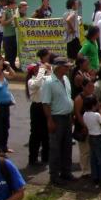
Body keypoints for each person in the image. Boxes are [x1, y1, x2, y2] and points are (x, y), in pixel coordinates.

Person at [41, 56, 75, 185]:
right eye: (66, 66)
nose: (68, 68)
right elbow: (46, 103)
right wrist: (50, 120)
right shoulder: (49, 82)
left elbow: (68, 97)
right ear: (59, 67)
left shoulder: (65, 79)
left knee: (67, 146)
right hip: (56, 117)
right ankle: (54, 176)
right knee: (55, 148)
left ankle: (66, 172)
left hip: (66, 116)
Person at [26, 48, 52, 166]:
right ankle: (33, 158)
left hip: (45, 107)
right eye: (37, 70)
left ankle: (46, 156)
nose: (39, 71)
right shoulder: (31, 82)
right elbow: (37, 83)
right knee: (36, 134)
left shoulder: (43, 78)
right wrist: (42, 70)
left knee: (46, 133)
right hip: (37, 108)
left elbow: (50, 81)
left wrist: (49, 71)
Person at [82, 95, 101, 187]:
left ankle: (95, 176)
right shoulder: (96, 115)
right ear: (93, 105)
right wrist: (100, 112)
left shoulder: (84, 115)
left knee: (94, 157)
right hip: (98, 137)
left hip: (91, 136)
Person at [0, 56, 15, 155]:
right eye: (0, 65)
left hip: (6, 105)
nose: (2, 67)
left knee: (6, 126)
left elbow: (13, 75)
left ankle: (4, 146)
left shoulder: (3, 74)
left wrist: (8, 66)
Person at [74, 78, 96, 178]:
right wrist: (84, 126)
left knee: (92, 149)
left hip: (93, 127)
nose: (91, 88)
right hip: (83, 128)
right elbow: (78, 114)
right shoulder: (79, 99)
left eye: (92, 86)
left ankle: (92, 168)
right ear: (83, 87)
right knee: (84, 150)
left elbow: (98, 108)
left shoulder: (93, 96)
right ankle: (85, 171)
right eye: (89, 86)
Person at [1, 0, 18, 68]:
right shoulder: (5, 11)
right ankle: (7, 68)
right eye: (14, 3)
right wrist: (12, 18)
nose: (15, 5)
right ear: (11, 4)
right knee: (8, 53)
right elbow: (2, 23)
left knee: (14, 52)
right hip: (7, 36)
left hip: (13, 35)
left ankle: (13, 66)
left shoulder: (13, 11)